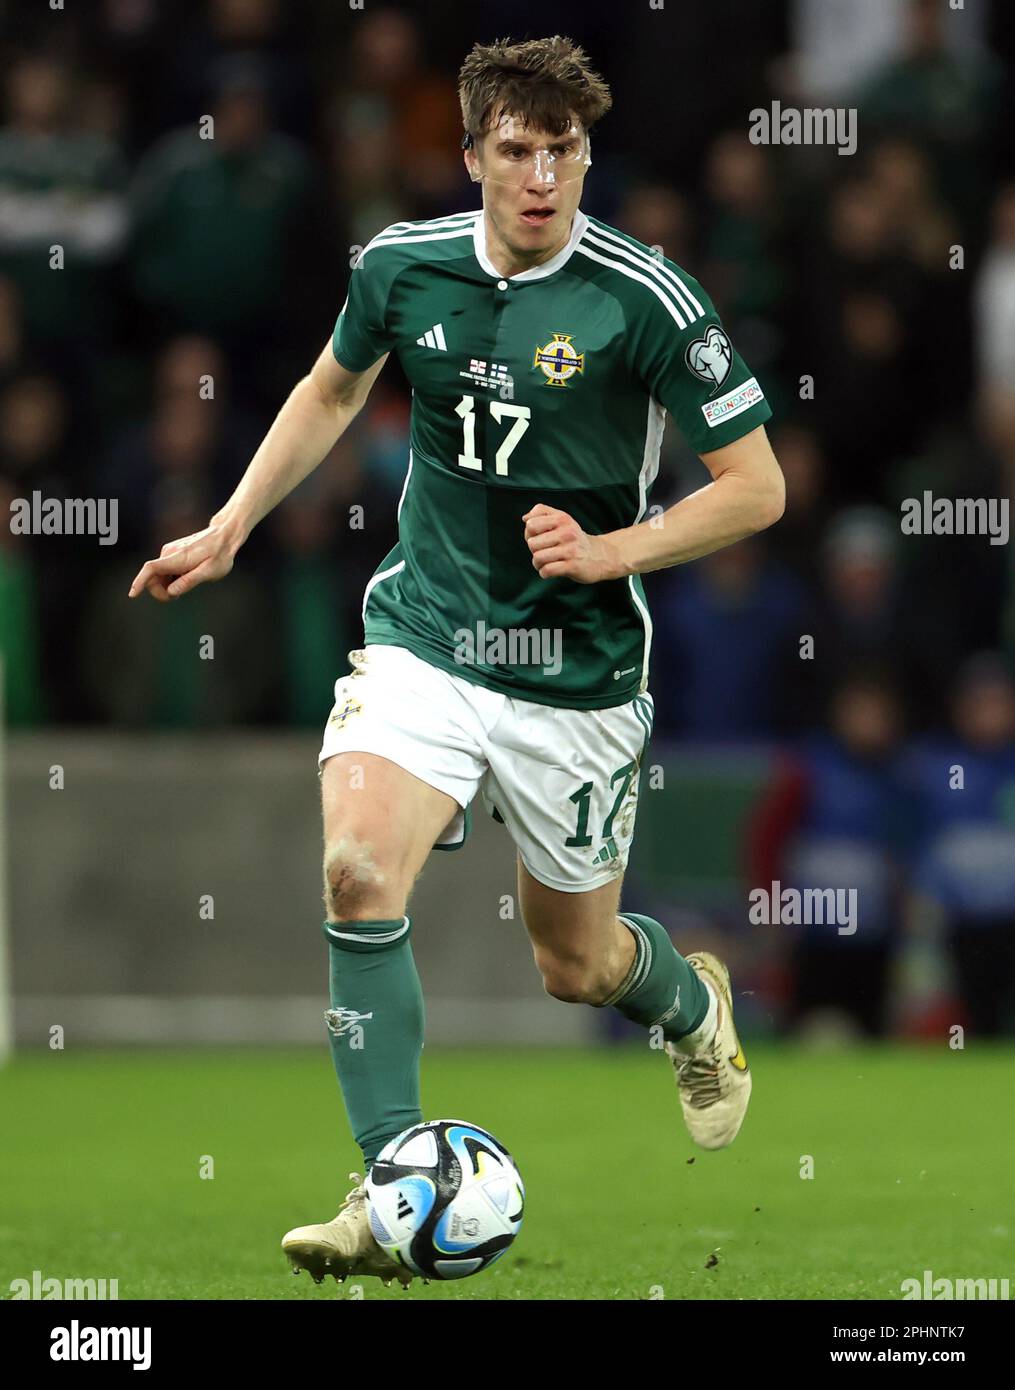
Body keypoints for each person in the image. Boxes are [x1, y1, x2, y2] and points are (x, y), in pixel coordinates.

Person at [128, 36, 784, 1287]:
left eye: (567, 152)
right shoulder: (399, 267)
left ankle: (691, 1007)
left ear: (587, 159)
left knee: (574, 966)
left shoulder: (645, 298)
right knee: (356, 868)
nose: (543, 177)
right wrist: (228, 526)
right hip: (426, 631)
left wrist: (612, 551)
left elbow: (758, 489)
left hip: (574, 672)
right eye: (519, 151)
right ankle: (390, 1184)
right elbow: (329, 391)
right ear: (472, 155)